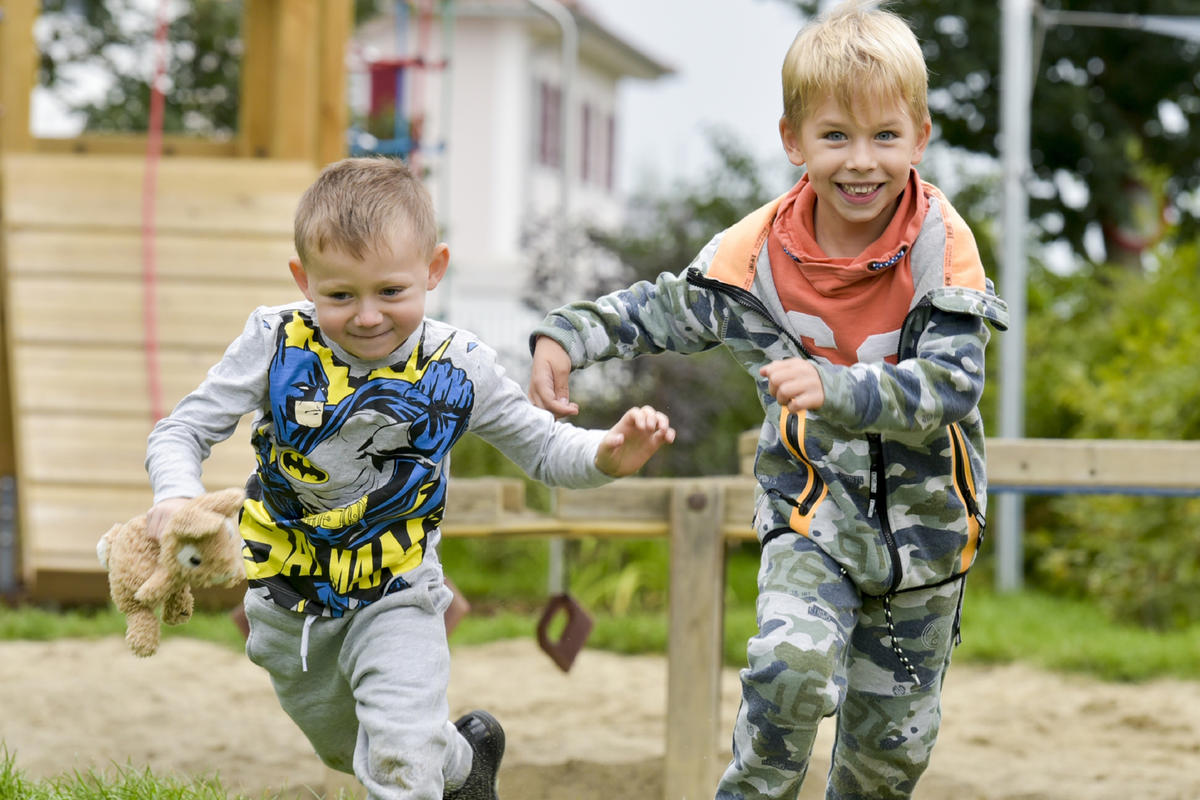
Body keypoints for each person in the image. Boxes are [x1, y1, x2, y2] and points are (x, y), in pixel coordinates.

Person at [528, 2, 1009, 798]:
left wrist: (838, 385)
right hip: (809, 516)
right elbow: (663, 309)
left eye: (886, 136)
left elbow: (953, 384)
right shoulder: (753, 260)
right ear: (793, 141)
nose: (862, 161)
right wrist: (566, 336)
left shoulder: (940, 248)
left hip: (926, 541)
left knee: (886, 763)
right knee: (789, 671)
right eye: (835, 136)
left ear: (920, 138)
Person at [144, 156, 675, 800]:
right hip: (285, 599)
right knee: (352, 749)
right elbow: (182, 430)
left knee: (398, 758)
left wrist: (606, 455)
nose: (367, 316)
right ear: (303, 279)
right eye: (340, 295)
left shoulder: (459, 366)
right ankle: (466, 764)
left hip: (400, 592)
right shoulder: (274, 340)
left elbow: (542, 448)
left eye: (391, 292)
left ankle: (426, 763)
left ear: (433, 269)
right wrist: (174, 494)